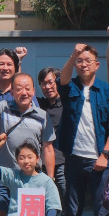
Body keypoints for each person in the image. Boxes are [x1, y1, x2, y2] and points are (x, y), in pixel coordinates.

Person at [57, 43, 109, 216]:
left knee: (102, 212)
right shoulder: (70, 87)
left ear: (97, 64)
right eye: (79, 61)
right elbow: (62, 80)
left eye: (88, 61)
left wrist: (105, 155)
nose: (83, 64)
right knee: (71, 212)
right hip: (74, 159)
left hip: (99, 161)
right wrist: (73, 55)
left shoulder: (108, 91)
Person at [0, 69, 56, 216]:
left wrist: (50, 178)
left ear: (33, 91)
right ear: (12, 92)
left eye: (27, 88)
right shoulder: (3, 107)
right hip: (5, 174)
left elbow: (48, 149)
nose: (24, 92)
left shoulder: (42, 115)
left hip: (30, 177)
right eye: (19, 89)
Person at [37, 67, 67, 201]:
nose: (47, 87)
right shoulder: (38, 105)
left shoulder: (68, 104)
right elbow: (20, 87)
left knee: (65, 200)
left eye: (50, 82)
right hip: (41, 163)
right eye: (43, 83)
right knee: (43, 203)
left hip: (63, 163)